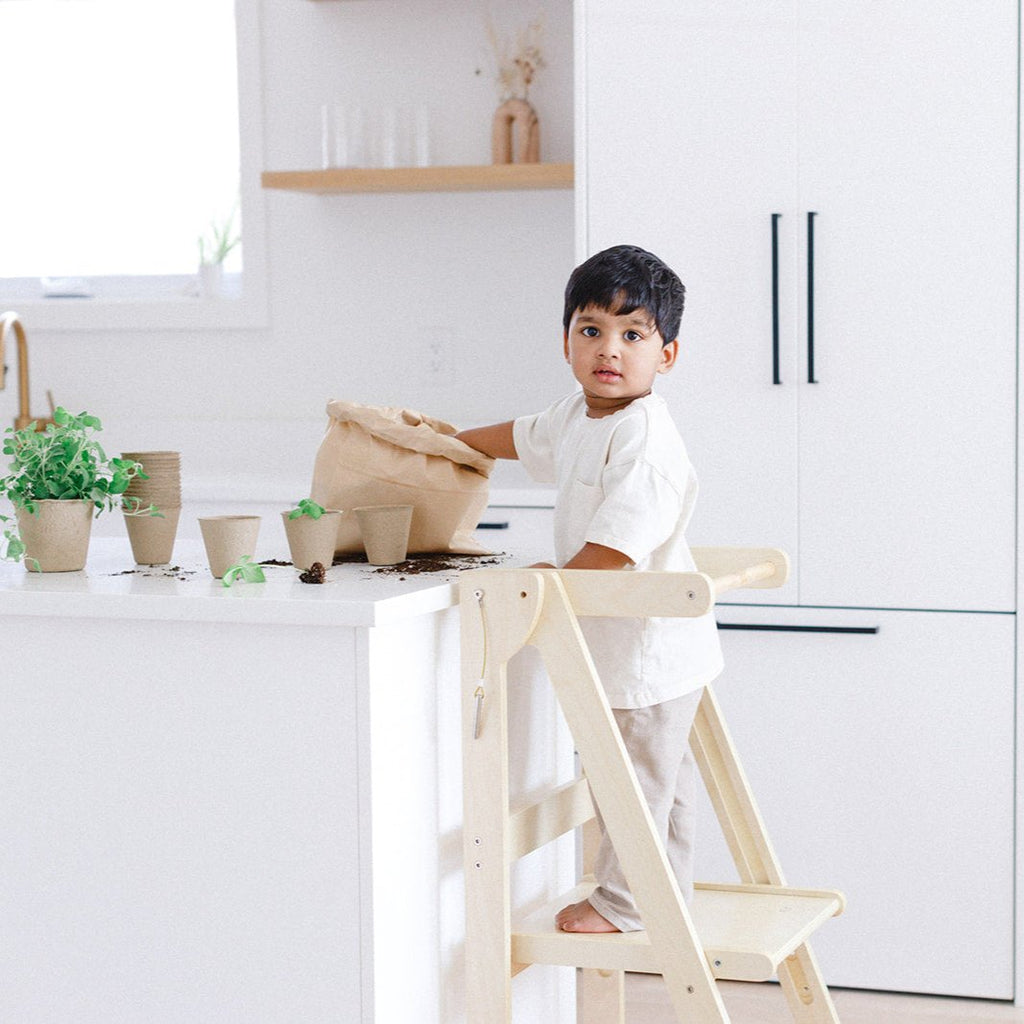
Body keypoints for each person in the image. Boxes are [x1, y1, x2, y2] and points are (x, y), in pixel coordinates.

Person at [455, 243, 723, 934]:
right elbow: (522, 435)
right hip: (628, 645)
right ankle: (666, 896)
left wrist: (553, 586)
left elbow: (614, 547)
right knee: (658, 780)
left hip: (646, 649)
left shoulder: (646, 441)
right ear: (567, 340)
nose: (610, 349)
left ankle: (626, 904)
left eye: (633, 334)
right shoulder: (578, 414)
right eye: (592, 330)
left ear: (666, 355)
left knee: (634, 779)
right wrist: (457, 443)